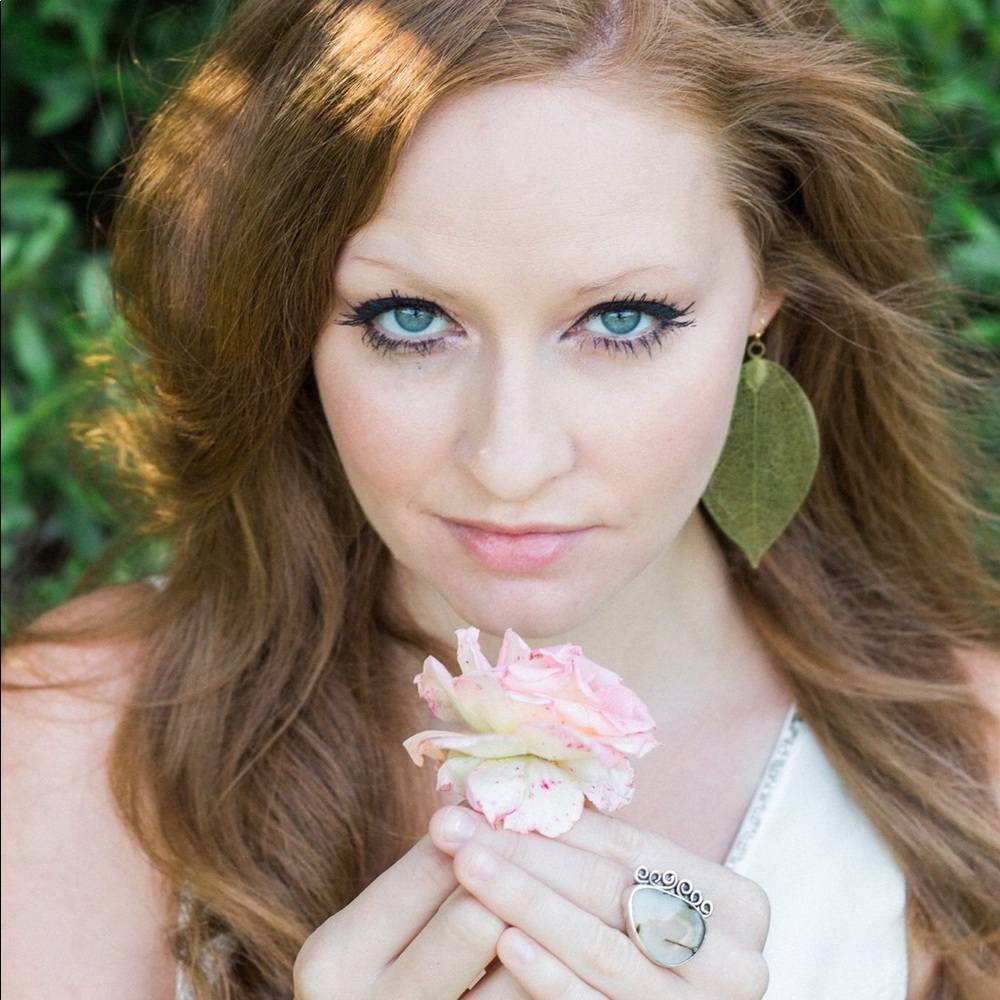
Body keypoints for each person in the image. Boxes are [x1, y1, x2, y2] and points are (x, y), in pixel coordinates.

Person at [2, 0, 998, 998]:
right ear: (293, 313)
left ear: (767, 286)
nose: (511, 460)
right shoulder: (75, 748)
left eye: (619, 318)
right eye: (408, 318)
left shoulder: (978, 766)